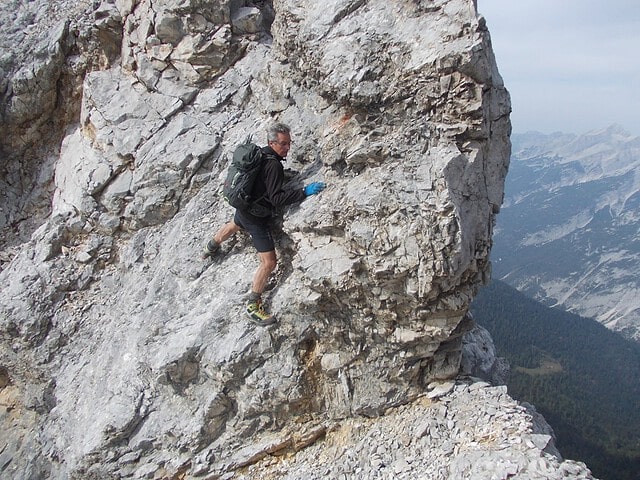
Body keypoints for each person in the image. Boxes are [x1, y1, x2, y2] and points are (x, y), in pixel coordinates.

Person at [203, 122, 326, 325]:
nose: (287, 148)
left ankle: (211, 246)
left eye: (289, 143)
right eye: (283, 144)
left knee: (235, 223)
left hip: (244, 207)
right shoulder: (273, 165)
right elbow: (277, 199)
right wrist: (304, 192)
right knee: (269, 262)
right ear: (272, 142)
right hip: (256, 218)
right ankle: (253, 305)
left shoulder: (259, 154)